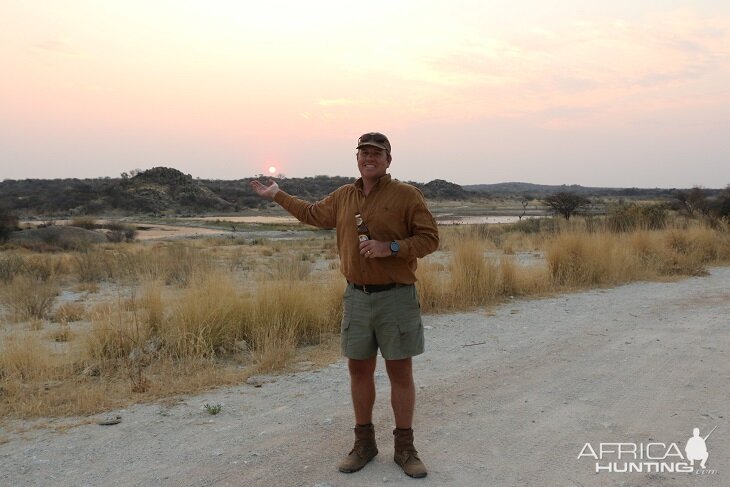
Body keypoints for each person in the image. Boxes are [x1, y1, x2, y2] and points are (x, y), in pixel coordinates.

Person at [249, 132, 439, 478]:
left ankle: (405, 448)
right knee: (359, 370)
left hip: (397, 296)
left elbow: (430, 239)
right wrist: (277, 195)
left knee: (400, 372)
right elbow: (310, 213)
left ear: (388, 160)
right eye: (364, 153)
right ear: (357, 158)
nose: (369, 158)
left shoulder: (406, 195)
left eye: (376, 154)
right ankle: (364, 443)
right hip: (356, 297)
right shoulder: (344, 196)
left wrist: (391, 248)